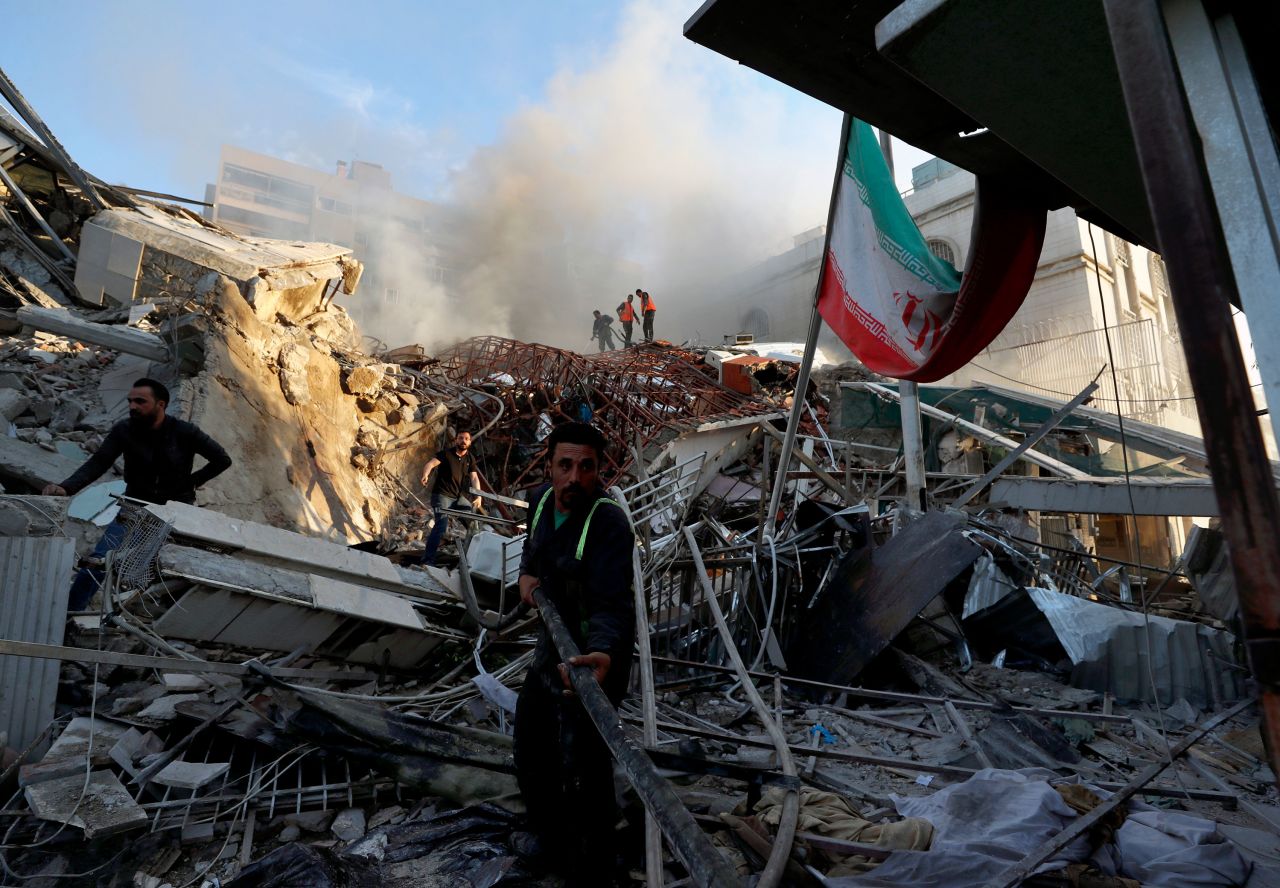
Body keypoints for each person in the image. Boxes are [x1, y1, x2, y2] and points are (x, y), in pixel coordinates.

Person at [515, 422, 635, 885]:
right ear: (549, 467)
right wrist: (527, 576)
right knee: (532, 743)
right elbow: (533, 551)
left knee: (585, 759)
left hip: (597, 658)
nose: (574, 478)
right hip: (554, 643)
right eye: (564, 465)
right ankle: (550, 840)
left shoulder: (608, 523)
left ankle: (596, 861)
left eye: (586, 467)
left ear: (599, 470)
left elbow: (612, 604)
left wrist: (602, 654)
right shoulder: (539, 501)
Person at [42, 377, 232, 608]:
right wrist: (66, 487)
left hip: (176, 512)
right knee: (100, 561)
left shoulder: (185, 432)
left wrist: (192, 482)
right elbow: (99, 462)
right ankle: (68, 616)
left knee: (172, 570)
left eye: (140, 401)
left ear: (160, 404)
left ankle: (164, 625)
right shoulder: (124, 430)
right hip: (134, 506)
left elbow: (222, 460)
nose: (132, 406)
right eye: (130, 401)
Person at [419, 429, 481, 566]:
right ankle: (427, 560)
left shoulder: (470, 458)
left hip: (458, 497)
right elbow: (431, 464)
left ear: (470, 442)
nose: (463, 441)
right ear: (456, 440)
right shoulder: (446, 454)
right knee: (441, 525)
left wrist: (479, 496)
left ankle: (470, 562)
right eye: (460, 438)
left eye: (466, 438)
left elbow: (474, 477)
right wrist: (425, 474)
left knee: (473, 523)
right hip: (442, 495)